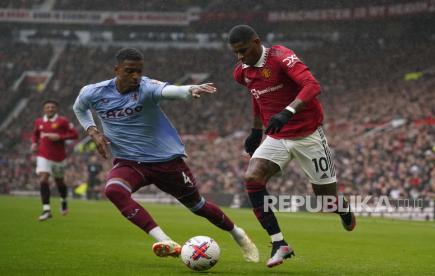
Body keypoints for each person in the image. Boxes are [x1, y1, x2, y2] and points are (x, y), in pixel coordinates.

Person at [73, 47, 259, 262]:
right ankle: (166, 241)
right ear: (116, 69)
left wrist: (190, 89)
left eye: (139, 71)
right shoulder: (93, 92)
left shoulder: (146, 87)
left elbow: (170, 91)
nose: (135, 76)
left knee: (197, 206)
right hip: (130, 162)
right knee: (114, 190)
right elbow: (80, 108)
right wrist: (92, 130)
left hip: (166, 162)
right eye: (129, 71)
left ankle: (239, 234)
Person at [228, 25, 356, 267]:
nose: (240, 57)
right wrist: (256, 131)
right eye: (235, 53)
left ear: (256, 42)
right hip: (277, 136)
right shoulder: (241, 72)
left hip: (308, 134)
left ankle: (342, 208)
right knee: (252, 179)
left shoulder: (281, 56)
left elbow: (312, 86)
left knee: (326, 202)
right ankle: (279, 244)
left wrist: (287, 111)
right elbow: (258, 97)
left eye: (243, 50)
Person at [31, 100, 78, 221]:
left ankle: (63, 200)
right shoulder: (39, 122)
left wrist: (60, 137)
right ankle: (46, 210)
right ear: (44, 109)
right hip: (43, 155)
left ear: (56, 109)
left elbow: (75, 134)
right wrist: (34, 144)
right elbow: (35, 135)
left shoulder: (63, 121)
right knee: (43, 178)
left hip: (59, 157)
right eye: (48, 107)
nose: (50, 109)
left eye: (52, 107)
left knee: (60, 182)